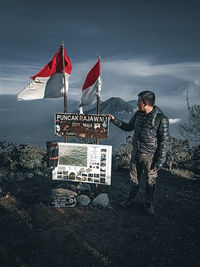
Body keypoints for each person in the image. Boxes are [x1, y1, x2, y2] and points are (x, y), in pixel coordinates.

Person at [108, 91, 169, 215]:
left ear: (145, 103)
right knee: (133, 180)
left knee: (150, 181)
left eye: (139, 101)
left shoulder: (161, 119)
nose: (137, 103)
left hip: (150, 157)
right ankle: (130, 199)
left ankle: (149, 203)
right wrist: (114, 120)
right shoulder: (138, 114)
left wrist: (160, 161)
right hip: (135, 154)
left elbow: (164, 141)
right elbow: (128, 127)